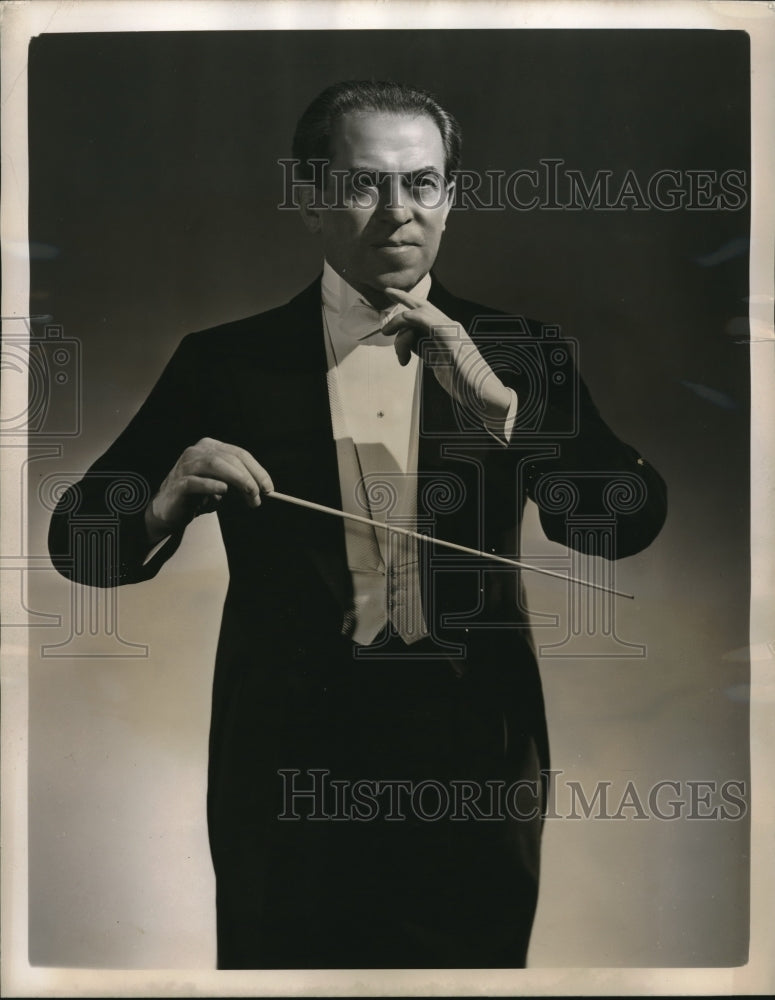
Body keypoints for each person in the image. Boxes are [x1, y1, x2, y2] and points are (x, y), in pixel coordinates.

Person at [48, 80, 667, 970]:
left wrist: (505, 415)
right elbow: (79, 544)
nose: (396, 212)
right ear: (307, 197)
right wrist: (159, 505)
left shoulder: (523, 353)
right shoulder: (224, 361)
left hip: (475, 758)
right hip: (286, 762)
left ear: (450, 198)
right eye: (362, 183)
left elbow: (625, 522)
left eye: (421, 183)